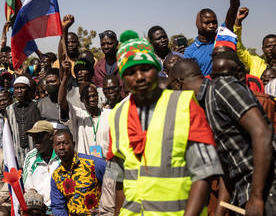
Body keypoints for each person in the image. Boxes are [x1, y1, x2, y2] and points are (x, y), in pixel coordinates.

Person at [107, 38, 222, 215]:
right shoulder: (116, 115)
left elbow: (204, 174)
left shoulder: (183, 105)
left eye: (145, 68)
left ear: (156, 69)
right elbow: (120, 180)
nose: (139, 77)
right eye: (130, 72)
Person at [169, 58, 276, 215]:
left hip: (268, 189)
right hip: (244, 193)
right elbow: (226, 169)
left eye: (172, 90)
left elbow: (262, 133)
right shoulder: (201, 110)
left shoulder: (222, 88)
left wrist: (256, 197)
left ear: (178, 84)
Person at [184, 0, 240, 76]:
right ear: (198, 24)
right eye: (207, 22)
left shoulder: (222, 36)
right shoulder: (190, 52)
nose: (212, 25)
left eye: (214, 22)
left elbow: (234, 5)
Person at [50, 129, 106, 215]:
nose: (61, 147)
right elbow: (58, 207)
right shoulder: (56, 176)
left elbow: (115, 185)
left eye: (65, 143)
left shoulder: (93, 164)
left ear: (74, 144)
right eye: (58, 144)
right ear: (54, 148)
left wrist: (105, 210)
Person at [59, 62, 108, 157]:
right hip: (84, 165)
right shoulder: (79, 115)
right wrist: (65, 78)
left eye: (94, 96)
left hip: (107, 165)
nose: (92, 99)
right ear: (82, 99)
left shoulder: (109, 114)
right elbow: (62, 102)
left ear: (98, 96)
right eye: (88, 97)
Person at [22, 121, 60, 212]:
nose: (36, 141)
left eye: (40, 137)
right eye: (34, 137)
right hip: (38, 208)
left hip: (60, 206)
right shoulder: (30, 157)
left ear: (51, 137)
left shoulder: (61, 156)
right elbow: (29, 188)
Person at [5, 76, 40, 165]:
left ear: (28, 90)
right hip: (17, 155)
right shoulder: (9, 109)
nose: (19, 91)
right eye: (16, 88)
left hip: (35, 153)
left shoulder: (37, 105)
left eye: (22, 88)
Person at [234, 7, 275, 77]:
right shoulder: (255, 62)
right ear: (263, 49)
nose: (271, 48)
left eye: (274, 45)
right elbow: (239, 48)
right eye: (268, 46)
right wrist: (238, 22)